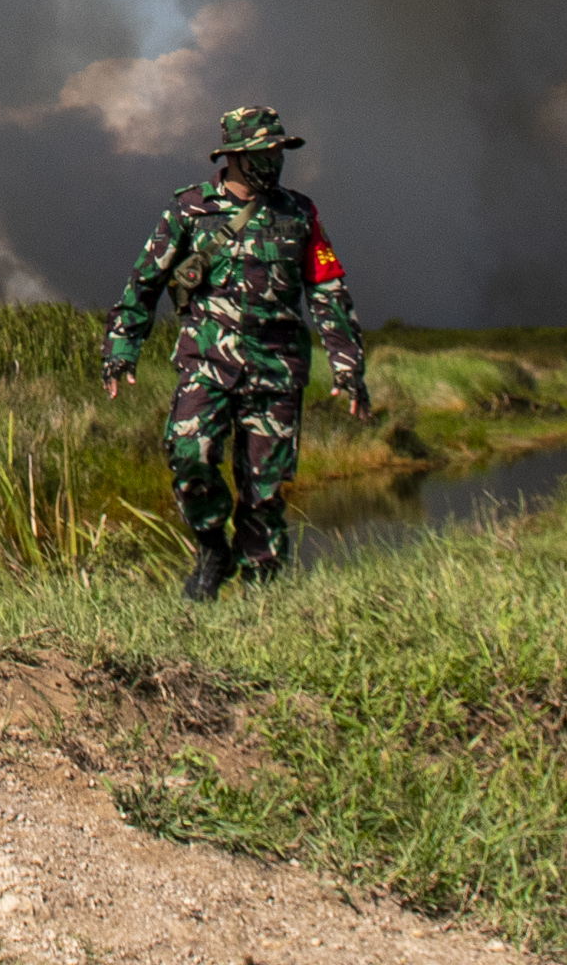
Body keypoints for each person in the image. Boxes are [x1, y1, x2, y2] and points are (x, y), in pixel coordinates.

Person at [103, 105, 371, 600]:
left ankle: (261, 597)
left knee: (264, 489)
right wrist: (122, 348)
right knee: (189, 455)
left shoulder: (299, 213)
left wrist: (348, 364)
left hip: (277, 368)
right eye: (264, 153)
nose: (274, 161)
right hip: (207, 363)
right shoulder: (189, 209)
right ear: (235, 157)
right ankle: (213, 549)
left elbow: (327, 289)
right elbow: (145, 282)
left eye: (279, 152)